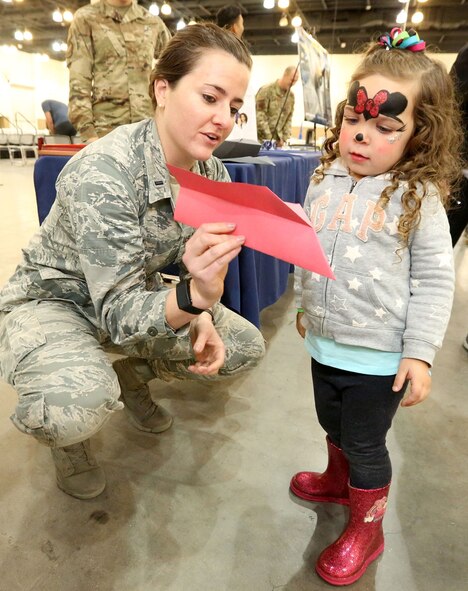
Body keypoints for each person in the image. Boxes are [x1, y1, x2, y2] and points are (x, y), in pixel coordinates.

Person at [0, 23, 265, 501]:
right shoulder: (105, 170)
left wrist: (200, 309)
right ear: (163, 88)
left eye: (234, 106)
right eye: (210, 97)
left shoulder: (212, 171)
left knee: (243, 346)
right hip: (56, 304)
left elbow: (183, 270)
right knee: (76, 405)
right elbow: (120, 314)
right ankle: (72, 439)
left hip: (131, 295)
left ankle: (130, 376)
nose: (223, 118)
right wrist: (194, 299)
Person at [289, 28, 461, 586]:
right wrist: (302, 301)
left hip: (379, 357)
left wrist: (421, 353)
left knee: (366, 443)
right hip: (324, 341)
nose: (362, 136)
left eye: (386, 127)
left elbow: (435, 279)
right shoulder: (323, 179)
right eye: (352, 120)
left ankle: (368, 525)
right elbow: (309, 248)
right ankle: (338, 481)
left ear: (419, 136)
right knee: (329, 420)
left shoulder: (420, 199)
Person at [66, 0, 171, 143]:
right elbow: (79, 80)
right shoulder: (86, 18)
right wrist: (88, 133)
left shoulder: (152, 22)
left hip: (148, 130)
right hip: (105, 131)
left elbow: (174, 69)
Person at [255, 65, 299, 147]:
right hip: (262, 142)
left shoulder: (291, 96)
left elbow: (289, 118)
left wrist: (284, 139)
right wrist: (270, 139)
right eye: (292, 80)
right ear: (285, 75)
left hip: (279, 143)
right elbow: (259, 116)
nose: (293, 83)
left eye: (295, 81)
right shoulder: (266, 90)